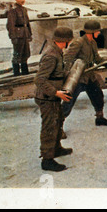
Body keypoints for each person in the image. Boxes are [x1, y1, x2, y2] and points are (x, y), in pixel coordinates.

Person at [62, 19, 107, 126]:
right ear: (91, 32)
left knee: (98, 96)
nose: (99, 33)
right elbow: (67, 59)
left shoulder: (92, 42)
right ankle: (58, 126)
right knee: (69, 101)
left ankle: (99, 118)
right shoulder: (78, 42)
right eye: (97, 31)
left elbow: (97, 59)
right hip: (78, 77)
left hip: (90, 76)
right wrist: (69, 74)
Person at [34, 26, 74, 172]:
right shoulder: (51, 55)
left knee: (57, 122)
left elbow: (56, 73)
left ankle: (56, 149)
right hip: (47, 98)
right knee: (49, 127)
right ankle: (47, 160)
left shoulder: (57, 52)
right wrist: (56, 92)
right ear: (64, 41)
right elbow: (39, 80)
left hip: (53, 96)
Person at [6, 0, 32, 76]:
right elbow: (10, 25)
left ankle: (25, 73)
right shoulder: (13, 11)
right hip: (18, 36)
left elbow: (27, 23)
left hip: (24, 35)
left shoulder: (24, 10)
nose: (23, 0)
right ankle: (16, 74)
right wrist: (13, 37)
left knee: (26, 54)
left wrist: (29, 34)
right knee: (17, 56)